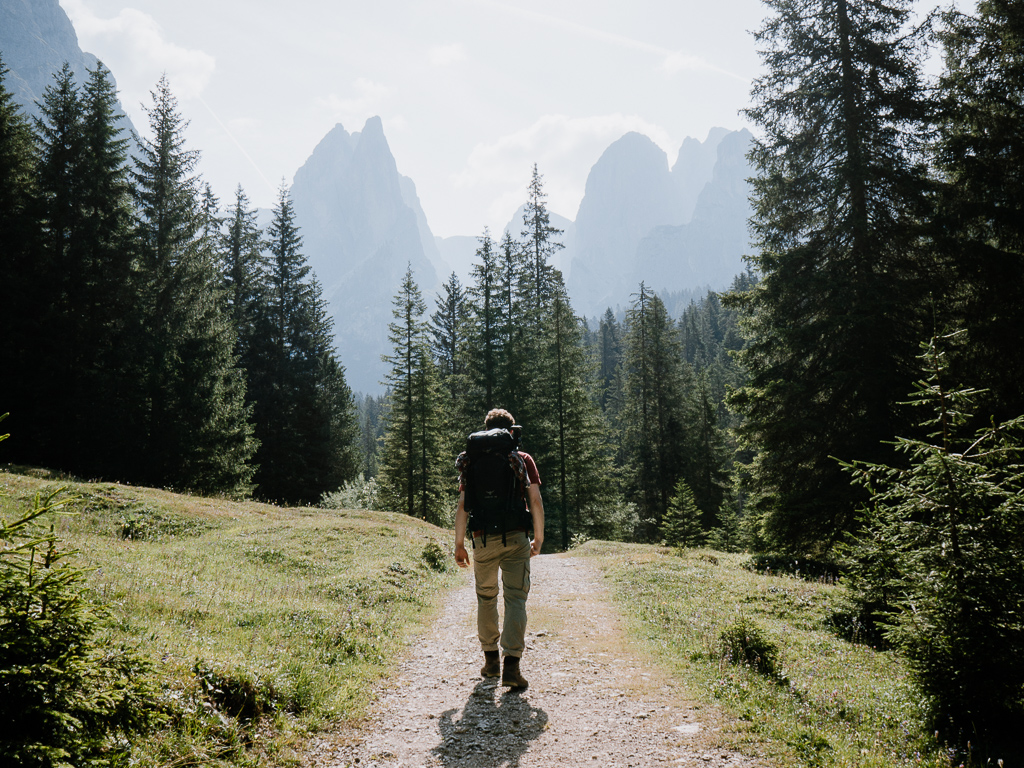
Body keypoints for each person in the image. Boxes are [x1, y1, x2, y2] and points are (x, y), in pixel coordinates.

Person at [454, 408, 544, 689]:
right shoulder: (521, 458)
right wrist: (538, 539)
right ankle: (512, 668)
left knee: (486, 597)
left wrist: (459, 544)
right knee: (515, 598)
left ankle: (491, 661)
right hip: (516, 537)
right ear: (510, 430)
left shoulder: (471, 460)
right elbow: (536, 501)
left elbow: (462, 506)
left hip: (482, 538)